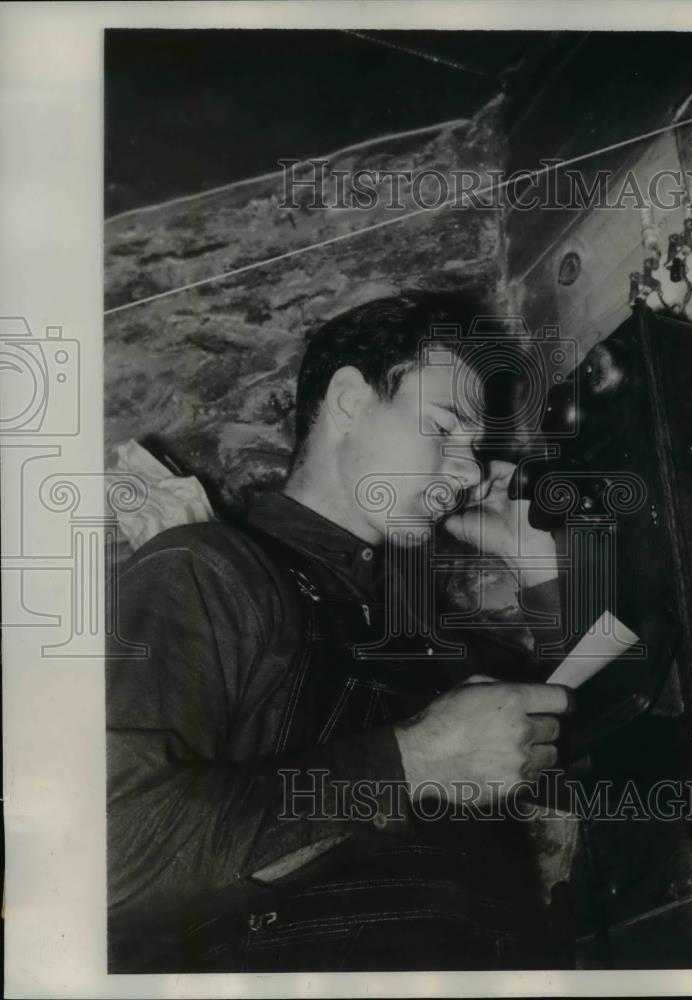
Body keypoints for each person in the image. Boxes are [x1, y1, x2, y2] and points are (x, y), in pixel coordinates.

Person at [106, 290, 572, 973]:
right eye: (443, 429)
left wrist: (533, 564)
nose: (469, 471)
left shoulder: (417, 628)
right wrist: (414, 761)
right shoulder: (208, 569)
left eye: (474, 448)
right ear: (350, 401)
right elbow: (111, 856)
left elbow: (580, 740)